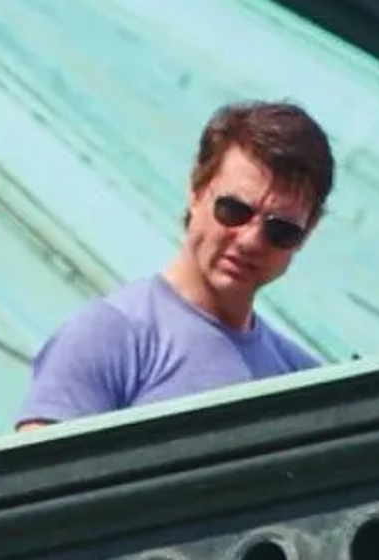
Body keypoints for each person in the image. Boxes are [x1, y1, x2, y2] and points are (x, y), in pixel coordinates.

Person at [17, 100, 333, 426]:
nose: (250, 240)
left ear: (308, 232)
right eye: (234, 211)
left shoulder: (302, 381)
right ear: (196, 191)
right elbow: (37, 475)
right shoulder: (108, 337)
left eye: (280, 230)